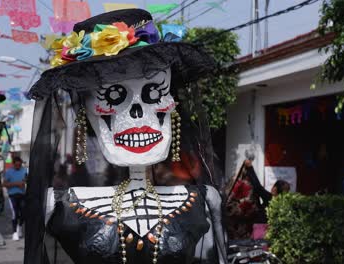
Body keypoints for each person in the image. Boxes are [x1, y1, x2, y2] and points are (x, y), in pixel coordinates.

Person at [24, 8, 226, 264]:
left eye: (154, 92)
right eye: (113, 96)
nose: (138, 114)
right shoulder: (56, 205)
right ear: (85, 111)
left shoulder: (204, 200)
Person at [3, 157, 27, 241]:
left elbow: (28, 180)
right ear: (13, 164)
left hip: (22, 195)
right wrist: (16, 184)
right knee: (15, 213)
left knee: (24, 213)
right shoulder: (9, 172)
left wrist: (25, 182)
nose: (18, 166)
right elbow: (4, 184)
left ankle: (19, 226)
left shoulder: (24, 171)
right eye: (16, 165)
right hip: (12, 195)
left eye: (19, 165)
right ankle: (14, 233)